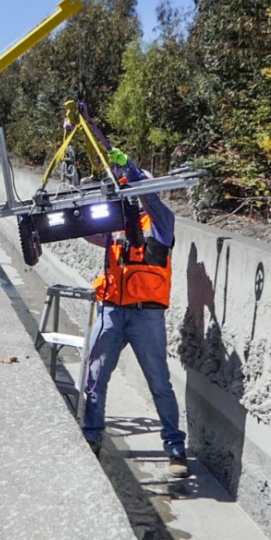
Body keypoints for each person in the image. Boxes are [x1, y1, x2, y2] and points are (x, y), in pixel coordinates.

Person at [82, 148, 190, 478]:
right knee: (95, 378)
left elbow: (151, 200)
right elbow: (88, 231)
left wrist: (129, 167)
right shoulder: (116, 223)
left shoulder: (162, 223)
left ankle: (175, 450)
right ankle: (91, 438)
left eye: (137, 188)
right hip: (112, 311)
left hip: (147, 316)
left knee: (160, 383)